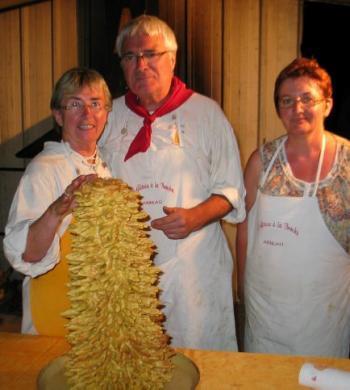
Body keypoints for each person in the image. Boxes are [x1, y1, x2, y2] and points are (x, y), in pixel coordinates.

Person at [99, 15, 245, 351]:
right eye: (131, 57)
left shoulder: (207, 113)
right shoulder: (109, 116)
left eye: (151, 54)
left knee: (201, 356)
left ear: (172, 59)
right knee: (137, 359)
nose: (141, 64)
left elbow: (232, 190)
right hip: (129, 268)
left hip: (193, 266)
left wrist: (196, 216)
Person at [236, 57, 350, 357]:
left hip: (324, 314)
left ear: (327, 105)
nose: (297, 108)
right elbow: (245, 228)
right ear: (278, 109)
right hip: (267, 312)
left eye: (307, 99)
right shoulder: (261, 161)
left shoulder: (348, 162)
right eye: (287, 100)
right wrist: (242, 291)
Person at [4, 68, 112, 336]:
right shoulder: (44, 169)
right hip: (56, 315)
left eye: (95, 104)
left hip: (97, 317)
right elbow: (26, 255)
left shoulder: (106, 168)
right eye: (75, 104)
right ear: (58, 115)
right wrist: (55, 211)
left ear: (107, 112)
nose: (87, 114)